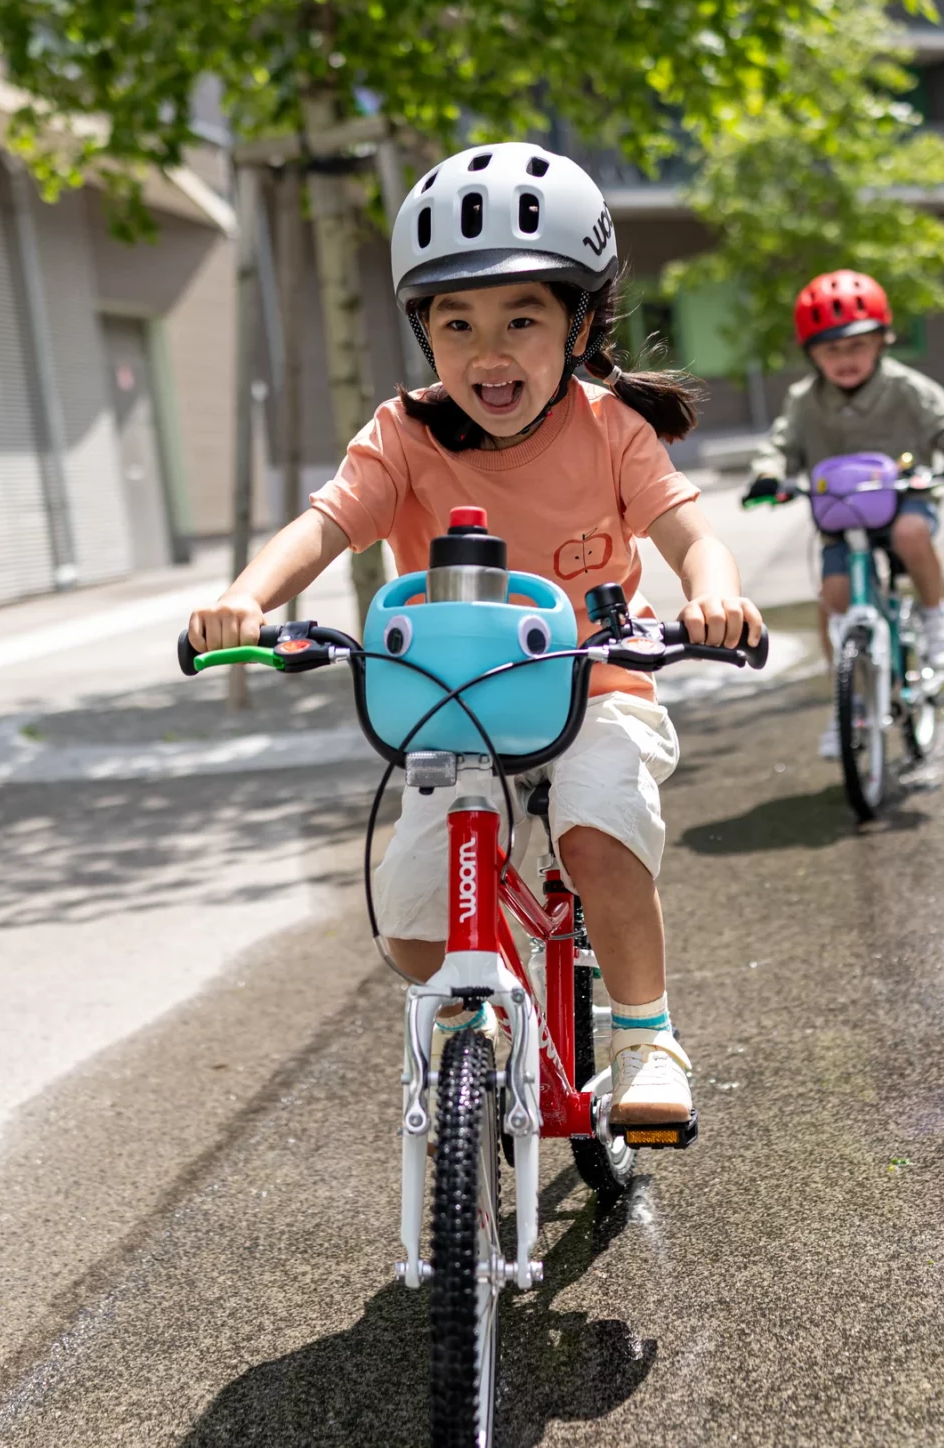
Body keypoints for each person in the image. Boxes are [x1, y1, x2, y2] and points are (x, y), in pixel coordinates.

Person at [188, 143, 762, 1126]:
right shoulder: (404, 434)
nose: (488, 353)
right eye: (456, 323)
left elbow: (691, 534)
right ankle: (484, 1006)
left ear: (580, 324)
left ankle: (644, 1037)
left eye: (522, 319)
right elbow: (324, 523)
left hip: (595, 691)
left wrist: (715, 594)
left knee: (597, 833)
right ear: (424, 331)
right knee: (410, 913)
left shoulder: (612, 427)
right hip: (455, 713)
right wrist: (247, 596)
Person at [745, 270, 944, 760]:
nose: (845, 359)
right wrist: (768, 476)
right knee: (832, 596)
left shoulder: (905, 387)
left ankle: (937, 615)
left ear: (882, 341)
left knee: (911, 531)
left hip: (904, 499)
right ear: (811, 354)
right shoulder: (804, 401)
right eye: (830, 350)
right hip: (840, 516)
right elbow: (778, 445)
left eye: (858, 346)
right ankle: (849, 703)